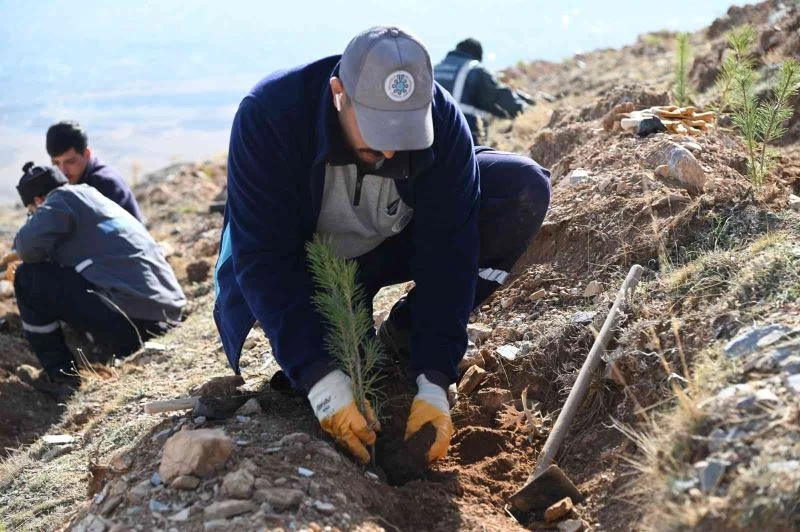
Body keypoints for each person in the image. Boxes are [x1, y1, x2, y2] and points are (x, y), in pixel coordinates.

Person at [214, 26, 550, 465]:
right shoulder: (271, 116)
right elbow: (264, 259)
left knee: (521, 187)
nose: (391, 150)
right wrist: (320, 379)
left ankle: (405, 335)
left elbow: (450, 251)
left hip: (388, 244)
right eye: (376, 130)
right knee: (339, 371)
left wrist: (434, 379)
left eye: (405, 131)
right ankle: (338, 349)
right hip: (310, 267)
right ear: (339, 94)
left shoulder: (442, 123)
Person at [13, 162, 186, 398]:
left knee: (28, 278)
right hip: (167, 311)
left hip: (135, 316)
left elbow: (25, 247)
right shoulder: (92, 196)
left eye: (32, 211)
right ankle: (103, 349)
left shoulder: (60, 200)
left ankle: (62, 376)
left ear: (39, 201)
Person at [434, 38, 530, 144]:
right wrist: (528, 109)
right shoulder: (474, 70)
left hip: (432, 139)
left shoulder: (435, 69)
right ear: (478, 55)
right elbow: (498, 99)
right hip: (462, 139)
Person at [46, 121, 144, 222]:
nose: (62, 171)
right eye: (56, 163)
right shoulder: (73, 180)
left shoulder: (105, 183)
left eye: (70, 162)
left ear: (86, 154)